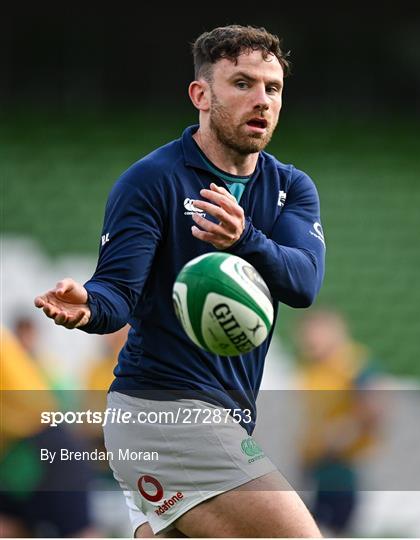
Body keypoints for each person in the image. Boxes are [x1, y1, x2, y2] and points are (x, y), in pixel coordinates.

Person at [34, 24, 326, 538]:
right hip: (164, 412)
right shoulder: (153, 180)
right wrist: (86, 306)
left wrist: (244, 239)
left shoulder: (290, 187)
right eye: (242, 84)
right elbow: (117, 295)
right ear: (201, 94)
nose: (261, 100)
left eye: (272, 88)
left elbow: (303, 283)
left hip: (224, 415)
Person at [0, 326, 100, 538]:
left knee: (78, 531)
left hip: (42, 442)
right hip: (17, 451)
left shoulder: (47, 362)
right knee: (8, 526)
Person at [294, 309, 383, 537]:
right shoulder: (311, 370)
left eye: (315, 333)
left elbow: (374, 410)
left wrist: (340, 434)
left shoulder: (353, 365)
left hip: (344, 470)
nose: (309, 339)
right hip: (317, 468)